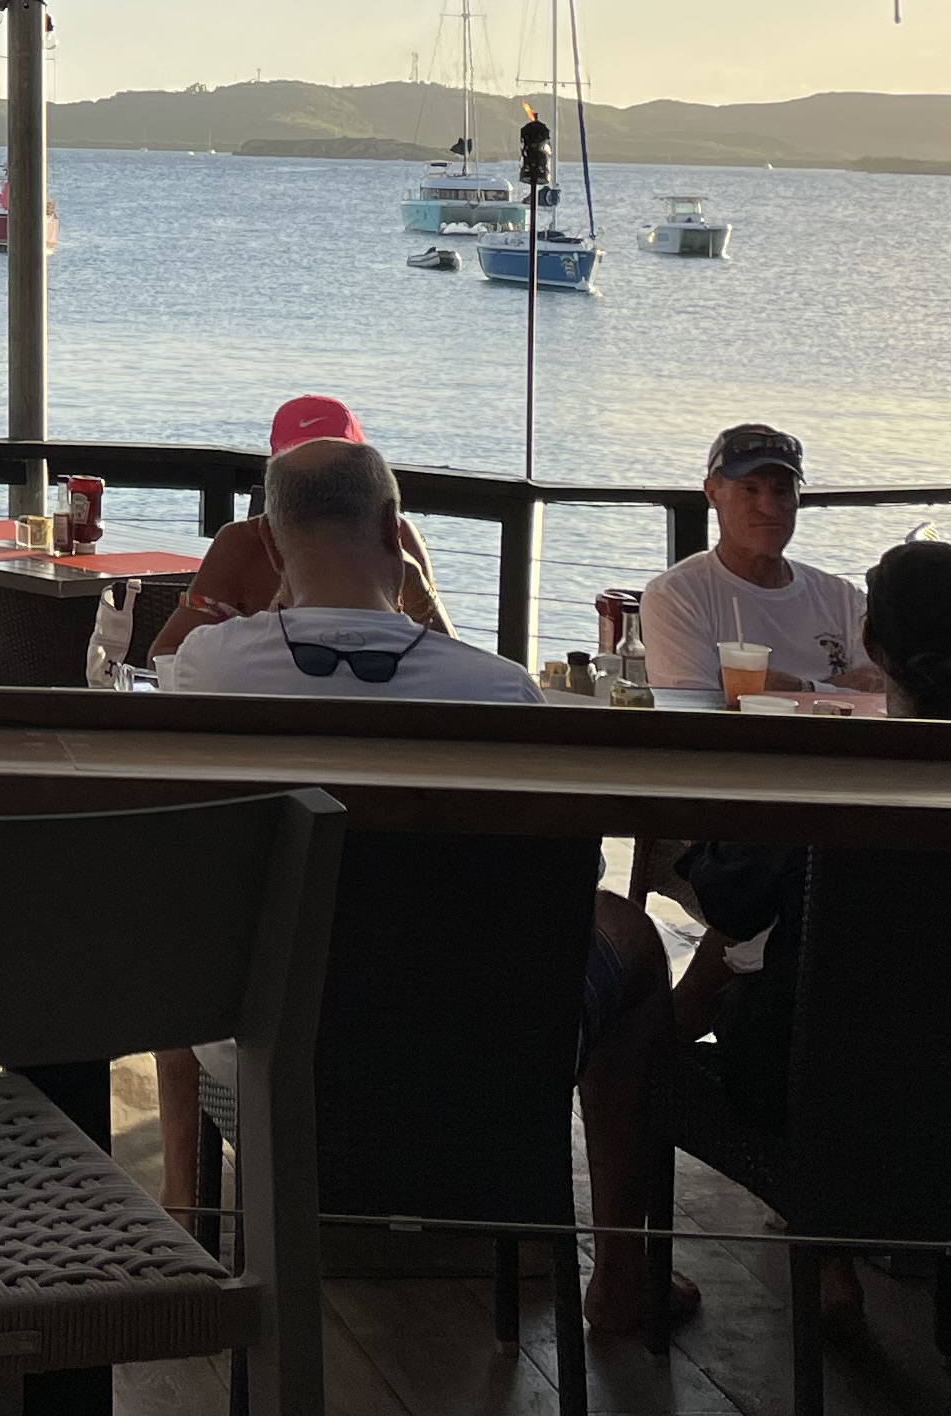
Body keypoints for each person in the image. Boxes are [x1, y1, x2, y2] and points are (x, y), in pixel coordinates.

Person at [152, 433, 694, 1335]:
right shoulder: (497, 692)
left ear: (273, 544)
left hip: (281, 1045)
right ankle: (620, 1274)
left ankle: (190, 1226)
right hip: (479, 1050)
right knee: (627, 934)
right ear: (395, 533)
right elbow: (565, 881)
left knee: (195, 922)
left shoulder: (211, 671)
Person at [671, 540, 951, 1326]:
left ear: (872, 649)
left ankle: (826, 1253)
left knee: (696, 1038)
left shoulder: (834, 780)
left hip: (816, 1085)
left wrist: (710, 830)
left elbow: (729, 896)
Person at [148, 396, 449, 660]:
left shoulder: (397, 535)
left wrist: (418, 592)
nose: (323, 487)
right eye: (304, 483)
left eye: (341, 475)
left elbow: (447, 655)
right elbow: (165, 655)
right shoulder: (241, 543)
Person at [636, 423, 875, 695]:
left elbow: (882, 692)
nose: (769, 508)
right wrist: (836, 690)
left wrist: (793, 688)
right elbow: (694, 711)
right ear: (712, 493)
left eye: (781, 491)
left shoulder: (843, 598)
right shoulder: (676, 596)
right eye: (750, 490)